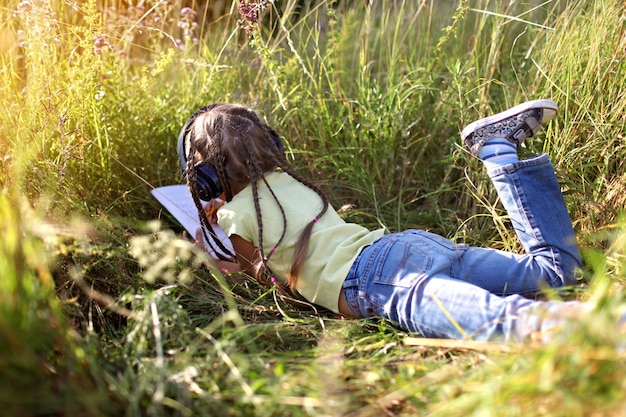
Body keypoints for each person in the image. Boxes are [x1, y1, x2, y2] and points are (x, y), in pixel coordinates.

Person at [177, 100, 590, 343]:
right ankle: (499, 151)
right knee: (556, 272)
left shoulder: (234, 216)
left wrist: (203, 256)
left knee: (505, 324)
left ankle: (599, 329)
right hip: (404, 247)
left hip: (375, 280)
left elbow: (257, 278)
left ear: (207, 177)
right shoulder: (288, 182)